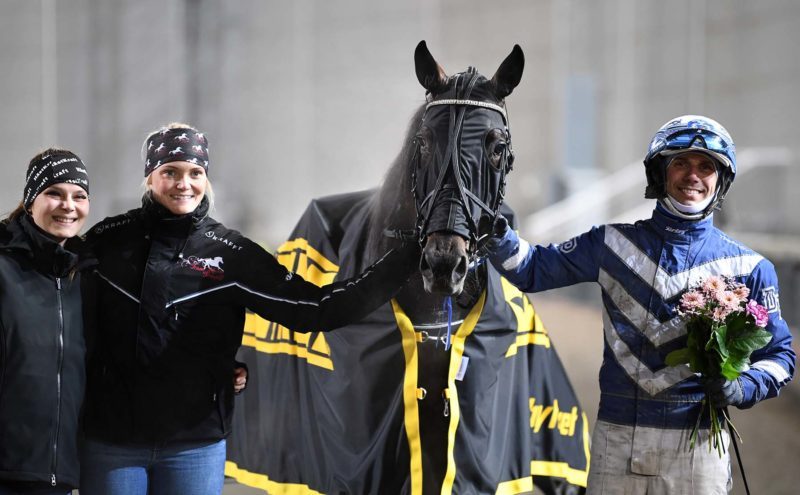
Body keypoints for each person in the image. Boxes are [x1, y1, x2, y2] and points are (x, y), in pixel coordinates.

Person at [78, 122, 419, 495]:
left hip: (194, 445)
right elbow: (64, 318)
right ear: (150, 177)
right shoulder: (107, 241)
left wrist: (403, 261)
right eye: (169, 172)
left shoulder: (229, 253)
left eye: (195, 173)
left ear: (206, 178)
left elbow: (314, 309)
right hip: (112, 442)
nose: (183, 183)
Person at [483, 115, 795, 493]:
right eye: (680, 162)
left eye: (706, 166)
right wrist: (493, 225)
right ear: (659, 173)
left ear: (721, 180)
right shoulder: (610, 243)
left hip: (700, 449)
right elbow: (531, 270)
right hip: (618, 439)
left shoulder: (752, 269)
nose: (692, 175)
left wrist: (742, 387)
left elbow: (780, 358)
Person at [0, 149, 91, 494]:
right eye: (54, 193)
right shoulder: (4, 267)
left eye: (79, 196)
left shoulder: (86, 274)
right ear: (30, 200)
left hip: (56, 474)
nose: (68, 205)